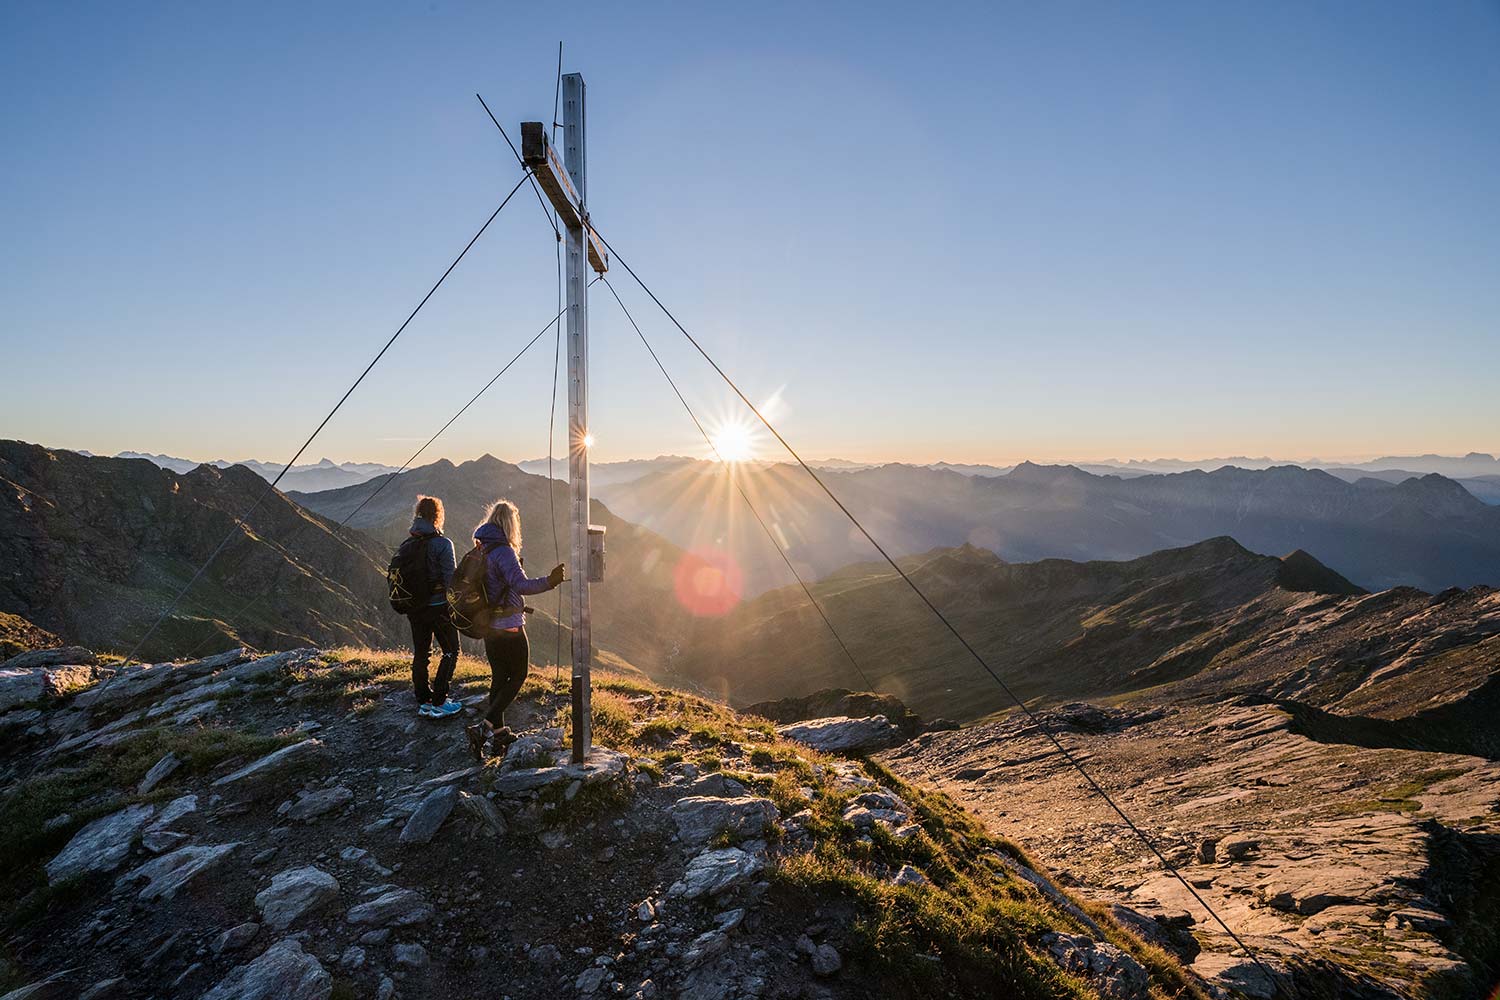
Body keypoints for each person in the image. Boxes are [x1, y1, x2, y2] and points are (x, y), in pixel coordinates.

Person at [464, 499, 565, 760]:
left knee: (500, 678)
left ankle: (498, 733)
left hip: (488, 628)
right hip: (508, 626)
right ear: (510, 524)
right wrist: (551, 581)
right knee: (518, 675)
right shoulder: (504, 552)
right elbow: (521, 585)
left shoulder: (480, 549)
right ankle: (484, 727)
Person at [405, 496, 461, 718]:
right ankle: (439, 701)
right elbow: (451, 581)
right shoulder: (443, 544)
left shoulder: (408, 543)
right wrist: (456, 606)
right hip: (438, 607)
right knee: (451, 651)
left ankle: (423, 701)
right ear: (437, 516)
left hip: (414, 608)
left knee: (421, 653)